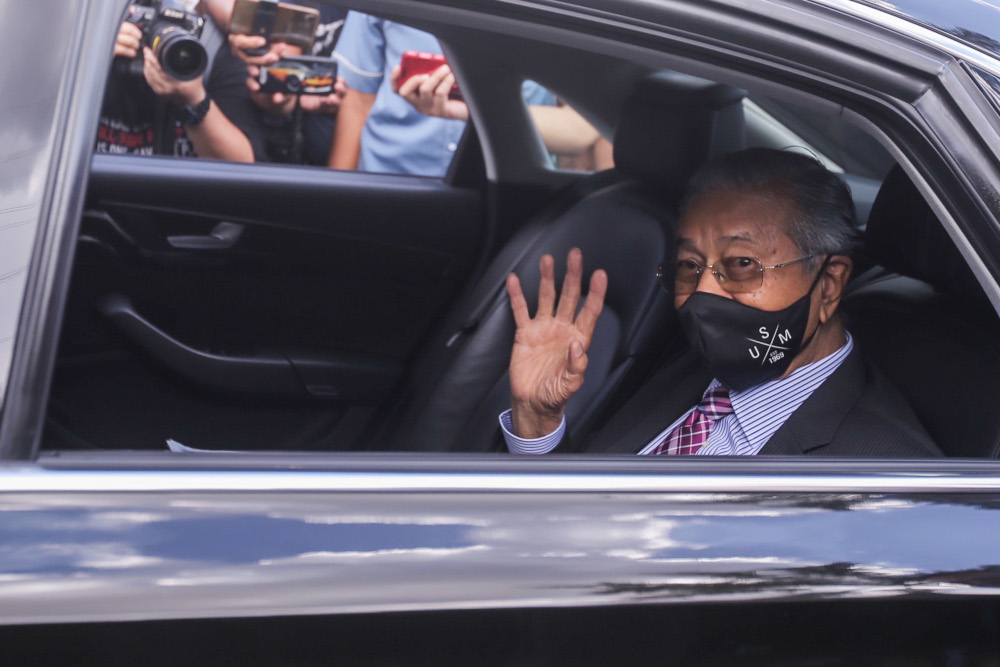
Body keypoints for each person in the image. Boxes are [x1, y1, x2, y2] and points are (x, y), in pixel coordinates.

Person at [500, 148, 942, 457]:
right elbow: (582, 515)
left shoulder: (878, 476)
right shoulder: (692, 370)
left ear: (828, 285)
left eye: (743, 264)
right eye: (689, 266)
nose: (702, 294)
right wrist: (537, 423)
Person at [329, 12, 554, 176]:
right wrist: (338, 196)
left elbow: (573, 120)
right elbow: (357, 102)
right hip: (393, 176)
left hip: (515, 182)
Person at [95, 3, 265, 161]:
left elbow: (242, 167)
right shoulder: (93, 35)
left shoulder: (212, 45)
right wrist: (94, 56)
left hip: (179, 183)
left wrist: (195, 100)